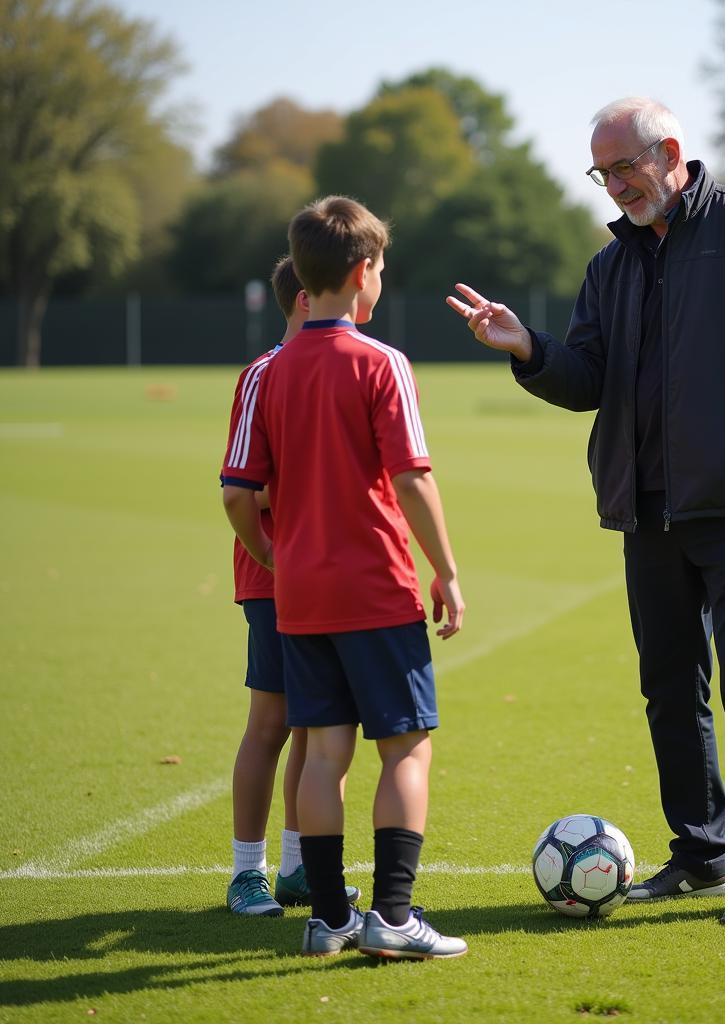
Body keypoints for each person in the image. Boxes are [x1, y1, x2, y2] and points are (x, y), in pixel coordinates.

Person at [447, 96, 725, 926]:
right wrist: (528, 348)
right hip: (649, 510)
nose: (614, 186)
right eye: (602, 173)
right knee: (670, 687)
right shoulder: (610, 266)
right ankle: (700, 854)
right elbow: (587, 379)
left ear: (669, 151)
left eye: (624, 167)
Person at [221, 195, 468, 958]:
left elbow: (237, 492)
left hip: (300, 598)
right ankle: (393, 917)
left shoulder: (270, 371)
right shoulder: (382, 362)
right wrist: (447, 572)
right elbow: (412, 479)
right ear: (363, 273)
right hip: (376, 588)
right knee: (406, 749)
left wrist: (274, 557)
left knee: (323, 752)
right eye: (384, 267)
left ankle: (328, 920)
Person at [222, 256, 359, 917]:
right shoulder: (265, 373)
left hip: (330, 578)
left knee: (317, 726)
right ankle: (247, 873)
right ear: (306, 297)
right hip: (276, 576)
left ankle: (302, 866)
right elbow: (243, 487)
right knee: (271, 723)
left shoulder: (347, 361)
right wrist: (272, 556)